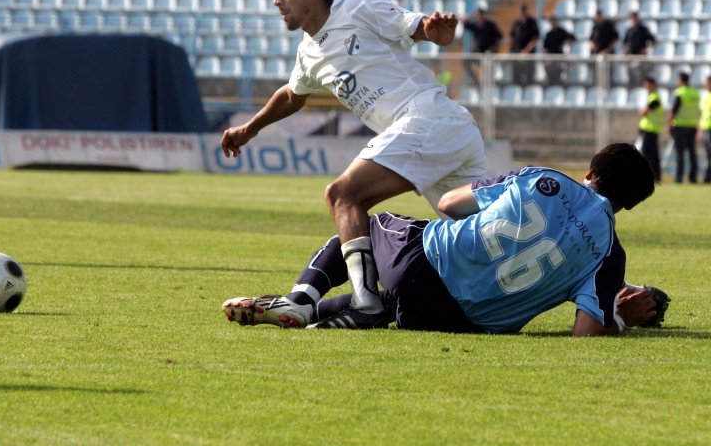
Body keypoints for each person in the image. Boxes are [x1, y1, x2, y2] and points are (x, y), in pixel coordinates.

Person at [220, 0, 486, 328]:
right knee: (483, 234)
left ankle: (365, 305)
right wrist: (249, 129)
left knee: (342, 194)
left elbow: (420, 29)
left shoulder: (357, 7)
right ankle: (308, 304)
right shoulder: (309, 51)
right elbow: (293, 95)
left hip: (428, 118)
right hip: (442, 134)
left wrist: (438, 32)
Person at [223, 143, 667, 335]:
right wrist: (622, 318)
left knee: (367, 224)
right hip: (457, 321)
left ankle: (301, 298)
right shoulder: (609, 254)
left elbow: (451, 204)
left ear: (590, 172)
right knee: (387, 303)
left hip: (423, 264)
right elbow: (585, 331)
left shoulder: (545, 179)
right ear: (628, 204)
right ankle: (323, 312)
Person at [668, 71, 701, 184]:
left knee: (680, 154)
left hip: (680, 126)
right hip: (692, 126)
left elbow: (674, 111)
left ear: (681, 80)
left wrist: (669, 124)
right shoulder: (695, 92)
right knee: (692, 153)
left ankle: (679, 178)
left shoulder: (680, 92)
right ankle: (693, 178)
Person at [461, 7, 503, 86]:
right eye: (477, 15)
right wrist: (471, 16)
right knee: (465, 61)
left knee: (488, 71)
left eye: (480, 14)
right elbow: (464, 22)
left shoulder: (491, 25)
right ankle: (476, 81)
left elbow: (499, 37)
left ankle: (487, 85)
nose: (478, 16)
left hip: (488, 53)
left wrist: (494, 48)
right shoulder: (476, 24)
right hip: (477, 52)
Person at [637, 76, 664, 181]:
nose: (645, 86)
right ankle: (655, 176)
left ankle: (652, 176)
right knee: (652, 154)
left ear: (652, 85)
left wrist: (642, 113)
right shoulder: (652, 96)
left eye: (647, 84)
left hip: (650, 130)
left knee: (649, 155)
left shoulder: (654, 98)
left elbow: (644, 112)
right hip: (650, 130)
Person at [509, 3, 539, 87]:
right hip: (517, 52)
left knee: (529, 75)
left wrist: (526, 50)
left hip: (528, 53)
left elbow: (535, 38)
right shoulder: (516, 23)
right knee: (517, 74)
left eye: (523, 10)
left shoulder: (532, 22)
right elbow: (513, 38)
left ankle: (528, 92)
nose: (521, 12)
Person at [542, 15, 576, 86]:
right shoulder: (548, 34)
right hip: (551, 58)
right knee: (549, 71)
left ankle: (559, 84)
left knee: (559, 72)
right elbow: (545, 48)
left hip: (559, 57)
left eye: (553, 21)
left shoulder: (561, 32)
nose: (552, 23)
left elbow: (572, 38)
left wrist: (567, 46)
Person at [700, 75, 711, 183]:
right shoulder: (706, 96)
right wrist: (700, 130)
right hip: (706, 129)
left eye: (707, 82)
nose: (706, 85)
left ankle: (708, 178)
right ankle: (708, 178)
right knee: (708, 155)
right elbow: (704, 114)